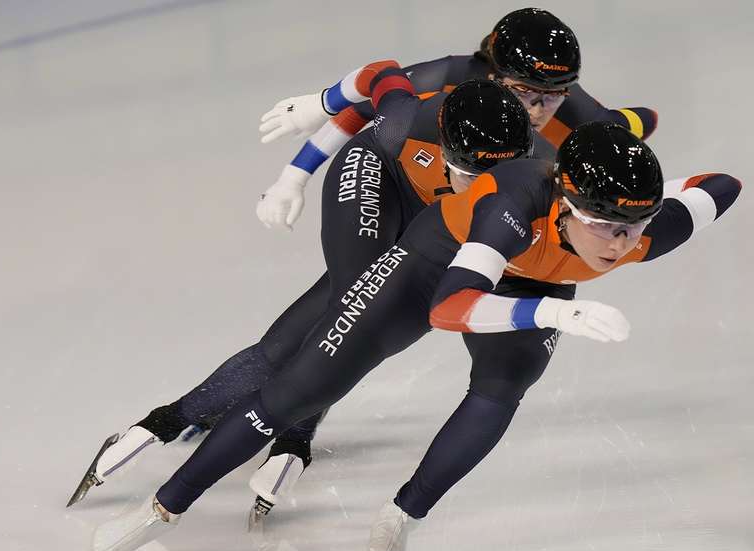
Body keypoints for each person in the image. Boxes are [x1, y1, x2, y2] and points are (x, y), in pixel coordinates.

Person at [72, 121, 741, 551]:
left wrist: (643, 187)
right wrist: (556, 310)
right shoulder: (514, 204)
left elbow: (723, 183)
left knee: (503, 387)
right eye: (608, 228)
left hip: (532, 279)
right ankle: (161, 508)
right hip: (436, 265)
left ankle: (402, 515)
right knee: (297, 394)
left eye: (636, 229)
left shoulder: (645, 232)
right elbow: (450, 309)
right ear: (564, 203)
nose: (622, 246)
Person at [68, 7, 658, 520]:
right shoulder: (452, 80)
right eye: (526, 92)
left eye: (553, 96)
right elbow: (378, 86)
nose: (538, 109)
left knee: (352, 328)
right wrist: (296, 167)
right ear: (491, 73)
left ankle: (282, 426)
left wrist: (628, 131)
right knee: (346, 316)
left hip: (444, 215)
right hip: (382, 179)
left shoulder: (566, 113)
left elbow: (631, 129)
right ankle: (176, 421)